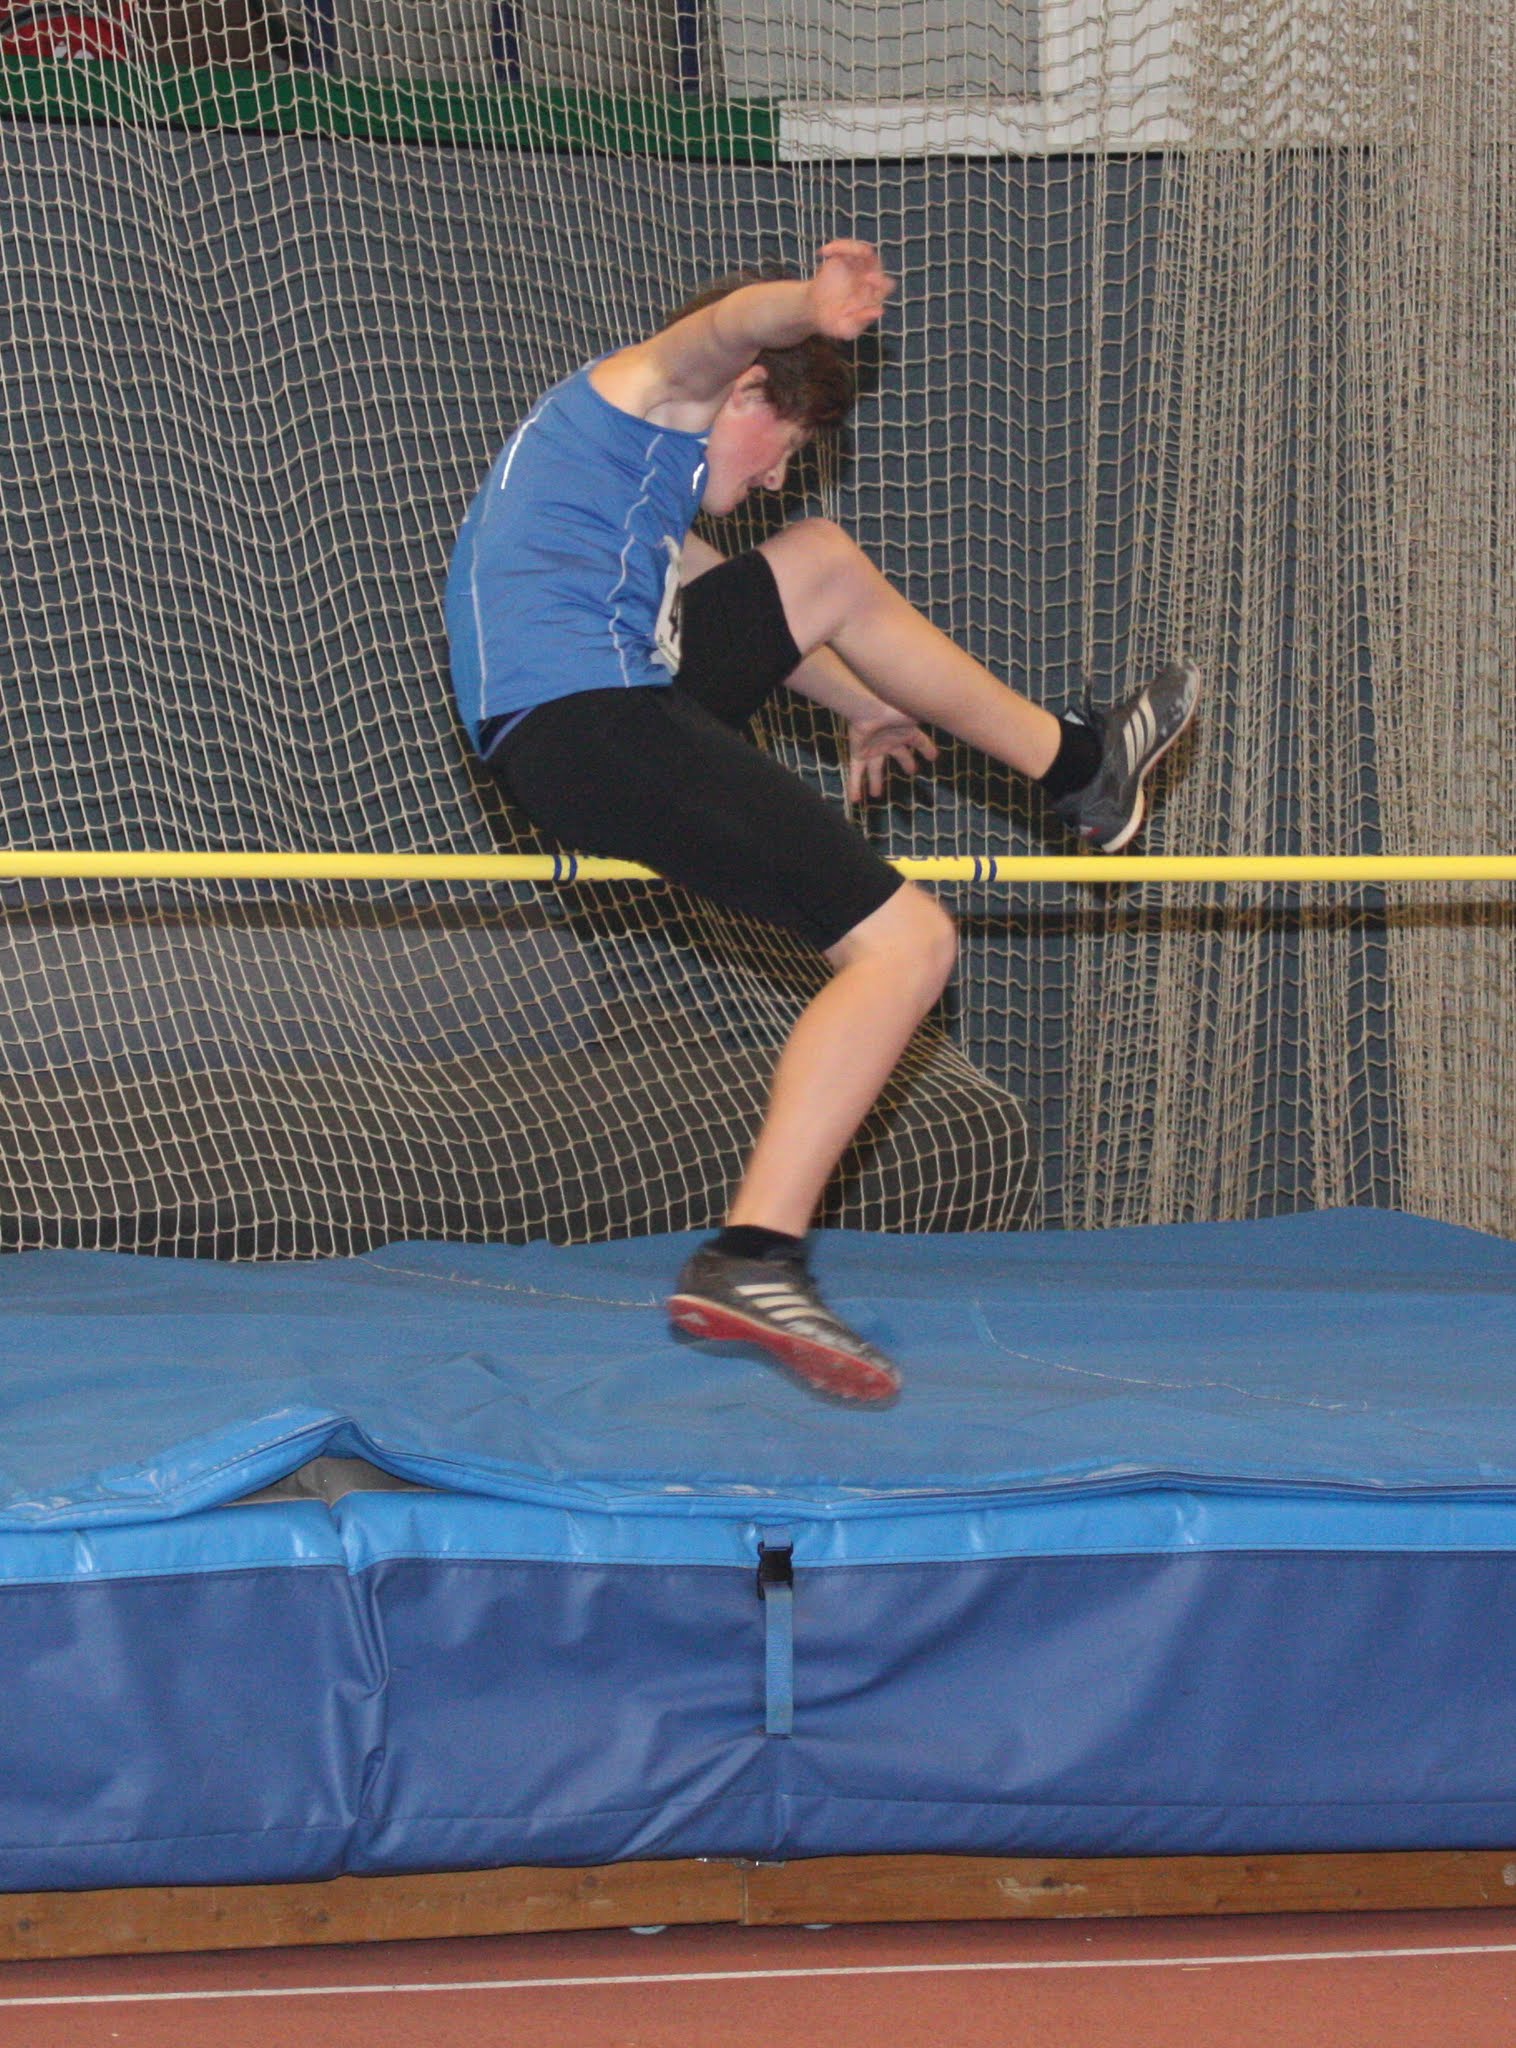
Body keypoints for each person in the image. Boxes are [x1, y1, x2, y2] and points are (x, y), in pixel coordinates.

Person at [447, 241, 1199, 1408]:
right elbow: (718, 331)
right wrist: (806, 304)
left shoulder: (626, 491)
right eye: (786, 443)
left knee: (823, 561)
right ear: (745, 391)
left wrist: (861, 706)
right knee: (908, 943)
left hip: (583, 712)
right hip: (586, 720)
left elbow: (743, 604)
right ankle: (755, 1251)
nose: (778, 474)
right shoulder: (654, 389)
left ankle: (1080, 767)